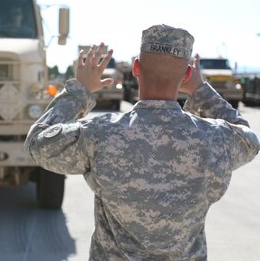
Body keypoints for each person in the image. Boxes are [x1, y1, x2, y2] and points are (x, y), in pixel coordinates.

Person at [24, 24, 259, 260]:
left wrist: (80, 91)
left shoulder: (101, 133)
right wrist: (200, 90)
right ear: (186, 74)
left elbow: (37, 143)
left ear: (136, 68)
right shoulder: (216, 137)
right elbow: (249, 139)